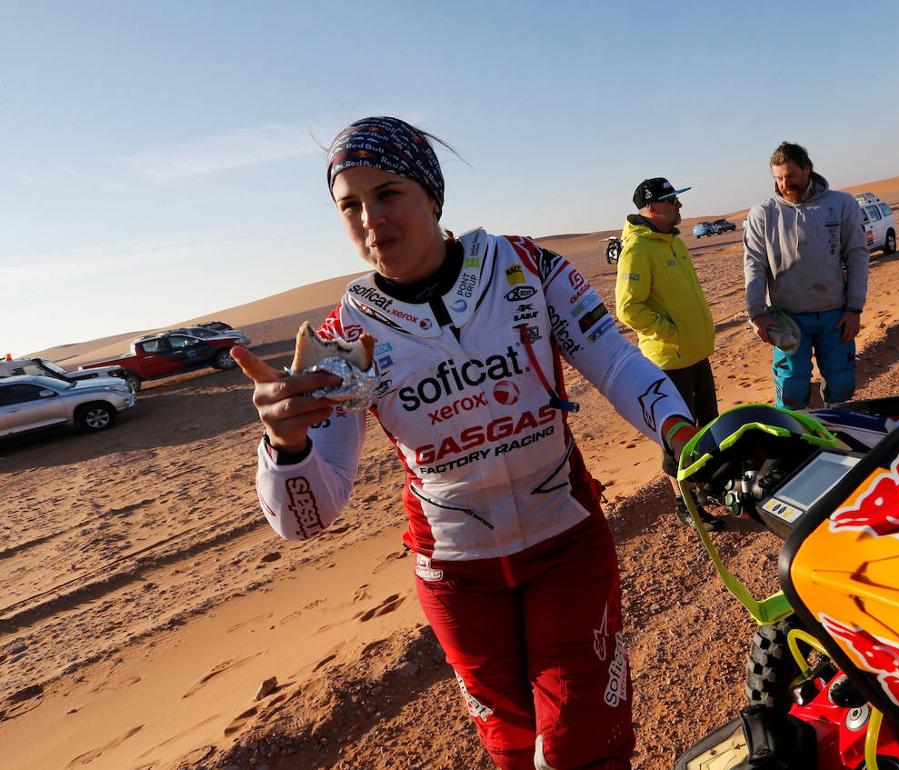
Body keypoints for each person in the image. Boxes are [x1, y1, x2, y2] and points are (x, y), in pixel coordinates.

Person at [232, 117, 701, 770]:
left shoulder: (529, 268)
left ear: (432, 194)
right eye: (350, 205)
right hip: (457, 577)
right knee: (512, 752)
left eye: (388, 194)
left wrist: (682, 434)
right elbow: (305, 520)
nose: (371, 220)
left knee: (583, 747)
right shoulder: (343, 338)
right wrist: (284, 443)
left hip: (565, 544)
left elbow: (617, 362)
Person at [615, 177, 722, 530]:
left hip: (695, 354)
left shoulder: (673, 241)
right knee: (678, 437)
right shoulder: (638, 249)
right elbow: (628, 308)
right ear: (652, 207)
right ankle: (684, 504)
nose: (679, 205)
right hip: (669, 361)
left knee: (707, 426)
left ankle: (705, 490)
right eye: (672, 200)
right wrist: (671, 332)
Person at [744, 141, 868, 409]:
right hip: (787, 319)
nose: (785, 184)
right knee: (792, 389)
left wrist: (854, 309)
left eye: (790, 175)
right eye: (778, 178)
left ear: (807, 169)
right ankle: (794, 435)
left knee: (842, 385)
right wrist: (756, 314)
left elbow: (857, 255)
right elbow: (754, 265)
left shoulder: (841, 204)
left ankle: (838, 430)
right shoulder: (763, 214)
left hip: (836, 315)